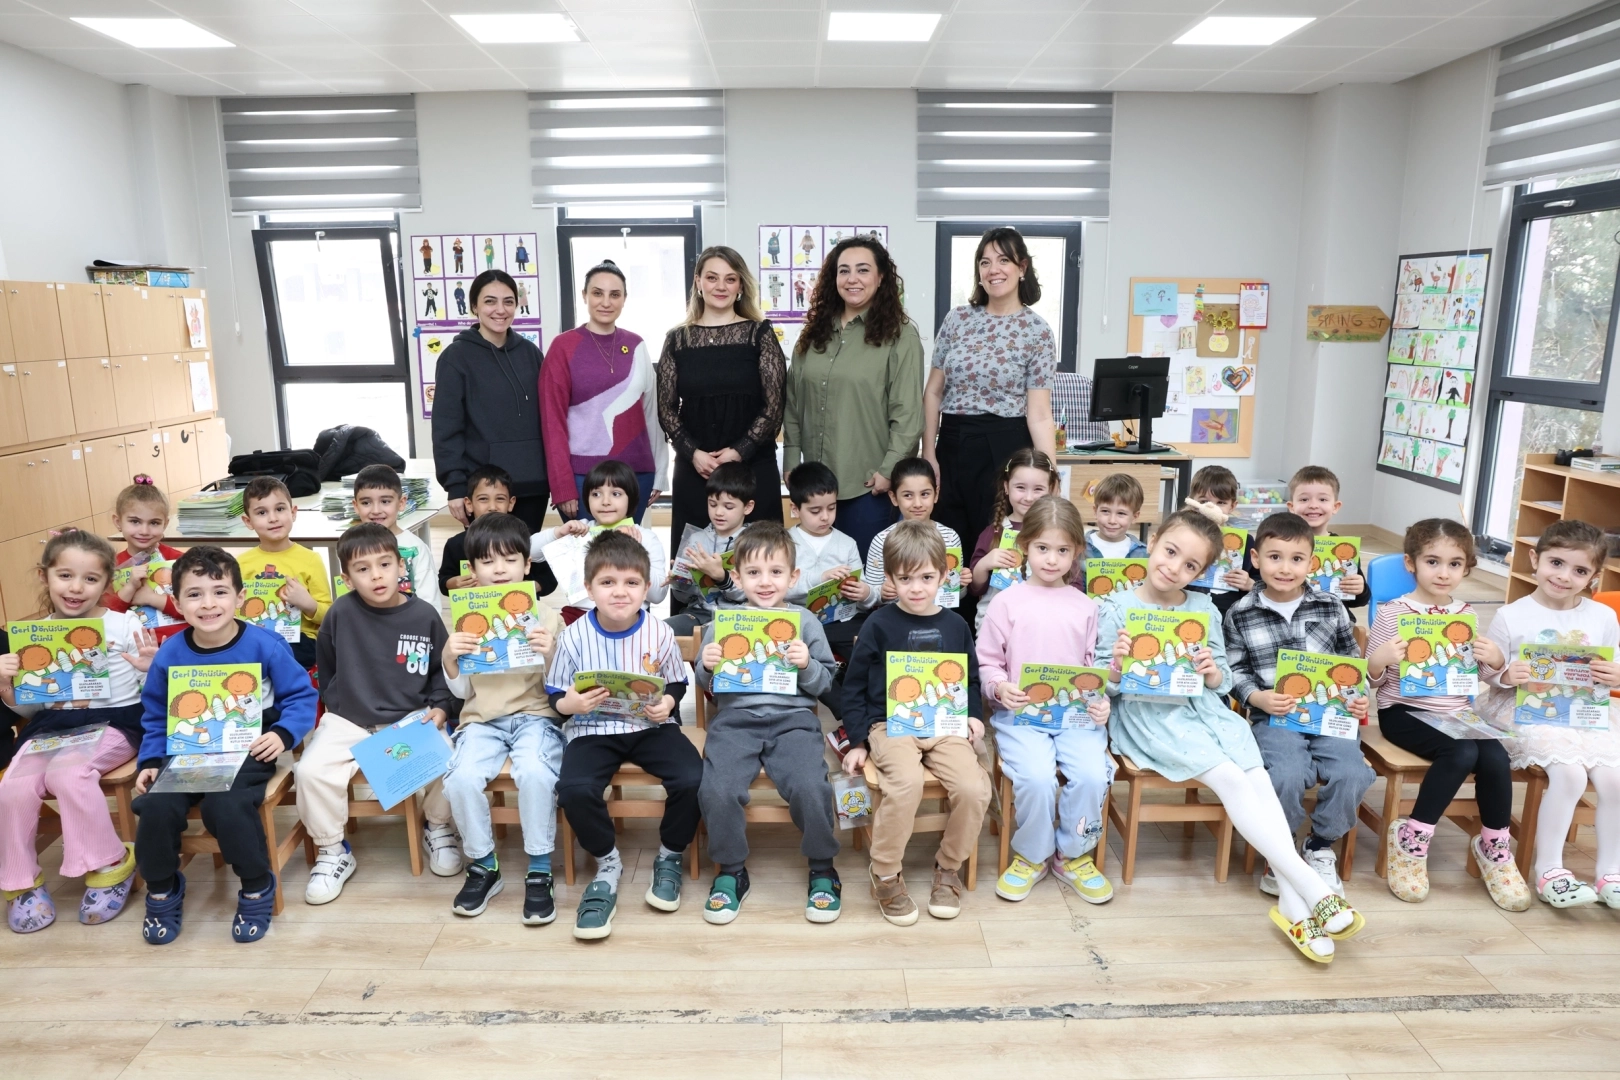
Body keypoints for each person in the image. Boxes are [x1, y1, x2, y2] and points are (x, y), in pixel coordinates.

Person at [1101, 510, 1365, 963]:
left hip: (1206, 713)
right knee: (1230, 779)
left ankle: (1293, 904)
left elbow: (1223, 681)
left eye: (1190, 565)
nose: (1174, 568)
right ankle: (1311, 888)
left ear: (1202, 572)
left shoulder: (1203, 608)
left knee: (1257, 777)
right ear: (1154, 541)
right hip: (1151, 717)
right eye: (1170, 552)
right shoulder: (1114, 608)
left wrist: (1209, 671)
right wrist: (1117, 665)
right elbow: (1101, 686)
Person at [133, 546, 319, 944]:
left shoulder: (265, 644)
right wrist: (149, 759)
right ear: (177, 602)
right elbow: (155, 714)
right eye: (194, 594)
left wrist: (282, 734)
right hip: (184, 753)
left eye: (219, 592)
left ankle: (256, 884)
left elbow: (301, 696)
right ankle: (162, 888)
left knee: (226, 806)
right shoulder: (170, 653)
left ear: (239, 597)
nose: (208, 604)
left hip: (247, 750)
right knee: (155, 807)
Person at [1364, 518, 1524, 909]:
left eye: (1454, 564)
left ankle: (1494, 846)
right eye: (1432, 561)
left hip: (1456, 711)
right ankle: (1412, 840)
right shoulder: (1392, 612)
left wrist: (1495, 659)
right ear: (1411, 563)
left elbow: (1477, 675)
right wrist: (1379, 659)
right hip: (1403, 710)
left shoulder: (1465, 613)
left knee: (1495, 755)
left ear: (1466, 568)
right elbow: (1370, 679)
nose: (1443, 572)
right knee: (1461, 751)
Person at [0, 530, 155, 932]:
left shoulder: (124, 623)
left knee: (68, 773)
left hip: (116, 720)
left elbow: (153, 693)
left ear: (107, 584)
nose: (76, 588)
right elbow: (30, 708)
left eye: (90, 579)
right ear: (44, 576)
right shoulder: (34, 634)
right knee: (13, 784)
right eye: (65, 575)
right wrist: (7, 687)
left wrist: (152, 667)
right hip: (52, 726)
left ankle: (109, 863)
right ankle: (20, 882)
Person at [548, 533, 701, 940]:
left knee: (693, 777)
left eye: (631, 582)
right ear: (588, 588)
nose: (620, 592)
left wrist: (668, 703)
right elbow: (555, 695)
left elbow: (676, 682)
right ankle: (607, 863)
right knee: (574, 789)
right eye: (607, 582)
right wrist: (570, 704)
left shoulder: (659, 632)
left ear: (647, 588)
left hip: (650, 726)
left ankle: (670, 854)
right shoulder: (574, 636)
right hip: (592, 729)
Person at [299, 524, 458, 905]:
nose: (376, 575)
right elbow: (327, 667)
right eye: (363, 569)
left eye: (385, 564)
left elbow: (442, 671)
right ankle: (332, 850)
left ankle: (437, 827)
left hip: (411, 718)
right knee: (309, 771)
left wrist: (440, 707)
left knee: (452, 761)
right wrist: (340, 706)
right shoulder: (339, 613)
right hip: (349, 720)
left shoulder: (425, 616)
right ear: (346, 579)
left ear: (401, 566)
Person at [842, 521, 990, 925]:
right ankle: (885, 872)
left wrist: (973, 716)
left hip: (944, 725)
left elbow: (970, 680)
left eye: (926, 577)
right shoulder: (877, 624)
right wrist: (858, 741)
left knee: (973, 787)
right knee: (905, 783)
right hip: (888, 725)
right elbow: (853, 687)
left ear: (943, 574)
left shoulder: (956, 625)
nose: (917, 588)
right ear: (890, 579)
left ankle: (948, 867)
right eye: (905, 579)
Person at [695, 522, 842, 925]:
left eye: (775, 572)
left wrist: (807, 664)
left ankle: (823, 867)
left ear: (793, 577)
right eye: (754, 572)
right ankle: (730, 870)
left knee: (811, 786)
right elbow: (706, 683)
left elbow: (825, 683)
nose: (764, 582)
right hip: (735, 721)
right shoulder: (722, 621)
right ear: (737, 576)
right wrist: (706, 666)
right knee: (718, 788)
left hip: (794, 721)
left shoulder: (805, 622)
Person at [1224, 512, 1373, 898]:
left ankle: (1320, 845)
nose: (1285, 568)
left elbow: (1350, 662)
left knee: (1353, 774)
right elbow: (1233, 669)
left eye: (1296, 559)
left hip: (1331, 716)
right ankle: (1281, 850)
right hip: (1274, 717)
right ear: (1255, 559)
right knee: (1285, 775)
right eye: (1274, 557)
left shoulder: (1330, 606)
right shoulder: (1240, 612)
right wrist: (1256, 697)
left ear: (1311, 562)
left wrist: (1358, 698)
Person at [977, 496, 1114, 904]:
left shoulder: (1086, 606)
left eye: (1062, 550)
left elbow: (1093, 671)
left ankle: (1073, 855)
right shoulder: (1006, 602)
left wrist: (1100, 702)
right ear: (1025, 546)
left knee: (1092, 775)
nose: (1052, 560)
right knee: (1036, 778)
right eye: (1042, 548)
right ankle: (1032, 856)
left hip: (1076, 719)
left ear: (1077, 552)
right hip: (1020, 717)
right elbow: (987, 662)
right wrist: (999, 687)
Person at [441, 512, 567, 924]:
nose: (499, 569)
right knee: (460, 779)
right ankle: (484, 864)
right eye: (487, 561)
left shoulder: (548, 616)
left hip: (535, 716)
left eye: (510, 560)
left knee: (536, 772)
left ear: (527, 565)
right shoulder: (465, 617)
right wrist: (450, 657)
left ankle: (540, 867)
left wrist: (550, 653)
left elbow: (561, 688)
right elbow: (462, 693)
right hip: (481, 719)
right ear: (472, 569)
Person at [1489, 521, 1620, 908]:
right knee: (1570, 774)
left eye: (1579, 570)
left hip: (1585, 711)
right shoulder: (1511, 615)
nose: (1564, 576)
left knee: (1614, 780)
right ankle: (1549, 871)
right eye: (1556, 563)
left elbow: (1611, 666)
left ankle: (1611, 873)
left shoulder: (1602, 617)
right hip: (1526, 710)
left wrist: (1615, 675)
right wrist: (1506, 674)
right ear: (1535, 559)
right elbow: (1489, 672)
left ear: (1594, 576)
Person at [782, 237, 923, 559]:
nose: (852, 279)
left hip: (868, 486)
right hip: (815, 488)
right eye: (844, 270)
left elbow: (908, 415)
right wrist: (791, 461)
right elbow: (793, 403)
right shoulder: (812, 333)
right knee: (812, 575)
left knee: (861, 578)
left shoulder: (900, 335)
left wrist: (888, 471)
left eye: (863, 270)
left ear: (881, 277)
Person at [924, 227, 1059, 559]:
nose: (993, 270)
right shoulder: (957, 319)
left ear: (1022, 267)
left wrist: (1050, 477)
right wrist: (929, 452)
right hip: (952, 442)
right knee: (948, 545)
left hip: (1005, 445)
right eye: (985, 262)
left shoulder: (1037, 331)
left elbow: (1039, 414)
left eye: (1003, 260)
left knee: (996, 544)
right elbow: (933, 392)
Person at [431, 269, 554, 591]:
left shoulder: (530, 353)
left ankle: (524, 626)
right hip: (487, 491)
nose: (500, 309)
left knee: (523, 570)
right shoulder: (455, 358)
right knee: (489, 572)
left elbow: (549, 418)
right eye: (490, 301)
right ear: (474, 306)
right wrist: (455, 486)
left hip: (533, 486)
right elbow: (446, 428)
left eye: (508, 301)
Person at [657, 245, 785, 547]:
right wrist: (694, 453)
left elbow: (774, 406)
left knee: (759, 559)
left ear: (740, 286)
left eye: (730, 279)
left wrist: (739, 451)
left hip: (753, 465)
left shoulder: (760, 334)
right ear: (698, 282)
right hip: (695, 468)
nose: (721, 286)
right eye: (712, 277)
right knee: (694, 561)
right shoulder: (677, 339)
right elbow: (666, 408)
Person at [540, 261, 667, 525]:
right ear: (584, 295)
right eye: (597, 293)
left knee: (629, 548)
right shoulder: (563, 346)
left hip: (636, 474)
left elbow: (651, 413)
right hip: (583, 477)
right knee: (586, 550)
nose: (606, 302)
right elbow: (552, 423)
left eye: (615, 294)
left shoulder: (637, 345)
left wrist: (659, 473)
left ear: (624, 299)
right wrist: (562, 485)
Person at [530, 460, 669, 617]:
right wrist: (558, 533)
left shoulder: (645, 538)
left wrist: (637, 551)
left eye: (616, 494)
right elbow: (527, 552)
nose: (605, 502)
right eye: (596, 494)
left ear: (630, 498)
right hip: (579, 615)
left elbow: (658, 596)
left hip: (628, 616)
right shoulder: (580, 531)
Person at [785, 461, 870, 717]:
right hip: (800, 623)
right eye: (815, 510)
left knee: (868, 645)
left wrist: (864, 593)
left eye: (831, 508)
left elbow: (864, 589)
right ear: (795, 509)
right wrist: (819, 577)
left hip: (842, 620)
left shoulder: (846, 543)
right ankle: (849, 714)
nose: (825, 516)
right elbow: (780, 589)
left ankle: (870, 705)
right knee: (806, 656)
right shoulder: (784, 542)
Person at [237, 475, 332, 669]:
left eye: (280, 509)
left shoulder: (311, 560)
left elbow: (329, 616)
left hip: (300, 641)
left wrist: (308, 604)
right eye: (262, 512)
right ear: (248, 521)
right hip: (256, 638)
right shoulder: (241, 564)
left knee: (282, 657)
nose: (273, 518)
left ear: (293, 512)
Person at [967, 448, 1063, 631]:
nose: (1028, 497)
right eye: (1020, 487)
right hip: (997, 625)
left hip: (1044, 623)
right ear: (1006, 487)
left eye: (1038, 489)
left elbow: (1074, 583)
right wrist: (984, 564)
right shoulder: (994, 532)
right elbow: (975, 588)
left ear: (1051, 489)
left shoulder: (1059, 533)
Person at [861, 458, 961, 613]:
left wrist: (961, 584)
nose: (917, 503)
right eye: (908, 495)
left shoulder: (950, 537)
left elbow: (955, 594)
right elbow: (870, 596)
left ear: (936, 494)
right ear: (894, 497)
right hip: (894, 619)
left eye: (925, 494)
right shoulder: (882, 540)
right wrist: (881, 592)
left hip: (938, 618)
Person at [666, 461, 752, 636]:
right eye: (712, 504)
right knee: (661, 631)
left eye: (728, 506)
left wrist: (722, 577)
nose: (718, 512)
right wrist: (680, 581)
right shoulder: (696, 540)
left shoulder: (755, 543)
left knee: (715, 637)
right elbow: (683, 598)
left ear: (748, 507)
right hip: (699, 613)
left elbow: (752, 593)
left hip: (741, 616)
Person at [440, 465, 547, 596]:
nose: (492, 507)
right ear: (469, 504)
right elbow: (444, 580)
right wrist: (452, 584)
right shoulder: (456, 544)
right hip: (474, 607)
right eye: (483, 499)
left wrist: (530, 587)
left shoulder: (524, 538)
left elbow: (548, 578)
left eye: (500, 499)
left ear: (511, 503)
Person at [101, 477, 187, 641]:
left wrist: (151, 598)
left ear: (165, 524)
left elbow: (196, 608)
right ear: (118, 522)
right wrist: (129, 589)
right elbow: (106, 618)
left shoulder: (180, 561)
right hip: (134, 646)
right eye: (135, 521)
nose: (144, 531)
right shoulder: (110, 568)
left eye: (154, 523)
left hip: (181, 642)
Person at [353, 464, 436, 611]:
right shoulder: (353, 547)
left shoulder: (416, 548)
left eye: (385, 501)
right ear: (356, 506)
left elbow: (429, 602)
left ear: (401, 503)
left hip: (411, 622)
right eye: (366, 503)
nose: (376, 510)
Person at [1287, 466, 1368, 611]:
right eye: (1304, 499)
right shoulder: (1282, 544)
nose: (1313, 505)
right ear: (1291, 506)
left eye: (1323, 499)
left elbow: (1358, 601)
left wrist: (1360, 589)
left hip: (1334, 617)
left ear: (1335, 507)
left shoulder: (1344, 549)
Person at [1184, 465, 1256, 618]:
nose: (1213, 508)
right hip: (1187, 612)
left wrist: (1249, 583)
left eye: (1221, 502)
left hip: (1229, 615)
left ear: (1232, 506)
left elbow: (1262, 582)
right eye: (1204, 501)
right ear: (1192, 503)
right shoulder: (1181, 537)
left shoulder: (1245, 542)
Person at [1083, 474, 1149, 565]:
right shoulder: (1079, 547)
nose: (1112, 521)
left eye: (1121, 513)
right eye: (1105, 511)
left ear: (1135, 517)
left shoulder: (1143, 553)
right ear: (1095, 511)